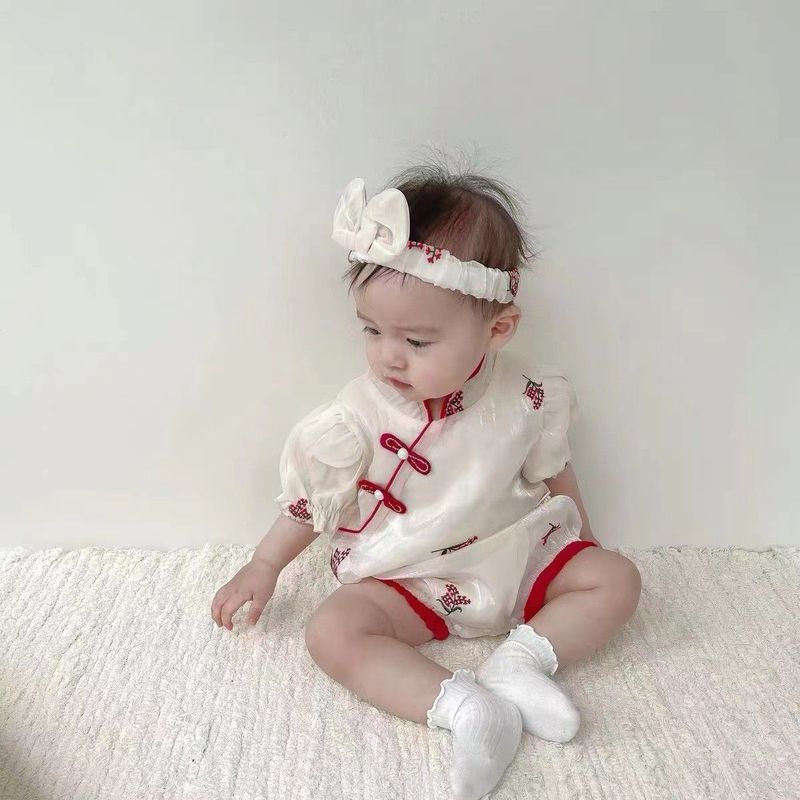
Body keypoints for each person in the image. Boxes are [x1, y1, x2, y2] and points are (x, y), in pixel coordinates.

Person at [212, 164, 642, 800]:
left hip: (515, 556)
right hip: (406, 575)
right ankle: (468, 709)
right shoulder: (357, 415)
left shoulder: (528, 396)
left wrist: (584, 541)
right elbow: (311, 502)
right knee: (331, 631)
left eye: (416, 340)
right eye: (372, 330)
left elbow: (554, 471)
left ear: (497, 329)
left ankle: (521, 663)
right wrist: (264, 564)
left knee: (617, 578)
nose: (388, 355)